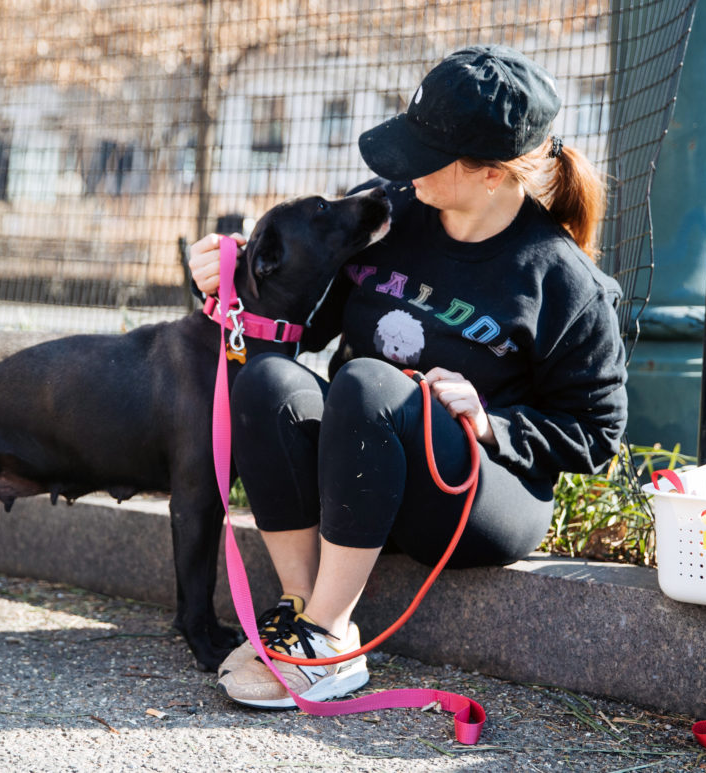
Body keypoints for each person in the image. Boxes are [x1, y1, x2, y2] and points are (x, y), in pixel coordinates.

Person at [188, 44, 628, 709]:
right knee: (268, 382)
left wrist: (491, 421)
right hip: (359, 465)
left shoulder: (564, 282)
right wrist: (234, 276)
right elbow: (296, 327)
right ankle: (303, 611)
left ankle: (331, 640)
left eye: (427, 153)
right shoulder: (390, 214)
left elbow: (597, 434)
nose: (400, 168)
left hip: (474, 492)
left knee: (368, 382)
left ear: (489, 175)